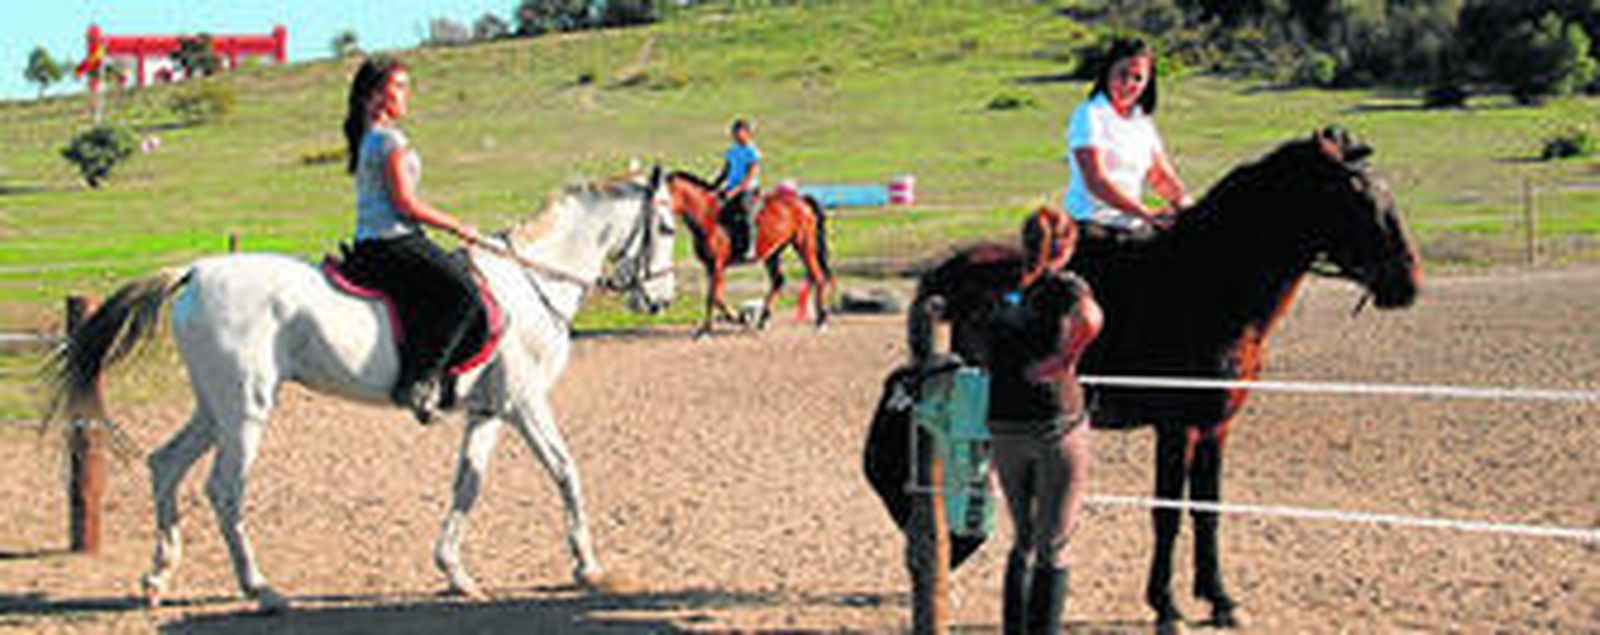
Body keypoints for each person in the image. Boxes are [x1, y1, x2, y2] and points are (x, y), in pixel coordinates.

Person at [341, 55, 485, 425]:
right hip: (394, 241)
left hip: (372, 244)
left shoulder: (367, 137)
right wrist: (457, 226)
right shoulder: (389, 140)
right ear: (375, 96)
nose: (407, 96)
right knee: (466, 295)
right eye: (399, 87)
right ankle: (418, 381)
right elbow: (405, 204)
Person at [987, 218, 1102, 635]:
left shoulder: (1001, 286)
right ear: (1066, 246)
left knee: (1022, 540)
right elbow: (1090, 318)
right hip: (1055, 421)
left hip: (1003, 422)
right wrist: (1065, 361)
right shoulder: (1066, 286)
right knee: (1054, 545)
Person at [1063, 37, 1192, 242]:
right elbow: (1096, 181)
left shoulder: (1142, 122)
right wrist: (1144, 212)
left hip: (1132, 224)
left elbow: (1160, 175)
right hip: (1091, 225)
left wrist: (1186, 205)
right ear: (1108, 72)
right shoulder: (1089, 114)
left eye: (1137, 78)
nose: (1128, 84)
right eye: (1122, 74)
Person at [711, 118, 761, 260]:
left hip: (748, 190)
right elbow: (725, 172)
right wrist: (714, 186)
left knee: (746, 213)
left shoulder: (752, 152)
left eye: (739, 132)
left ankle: (751, 247)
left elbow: (750, 176)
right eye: (734, 132)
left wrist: (735, 191)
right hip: (731, 189)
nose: (736, 135)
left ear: (747, 133)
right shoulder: (732, 151)